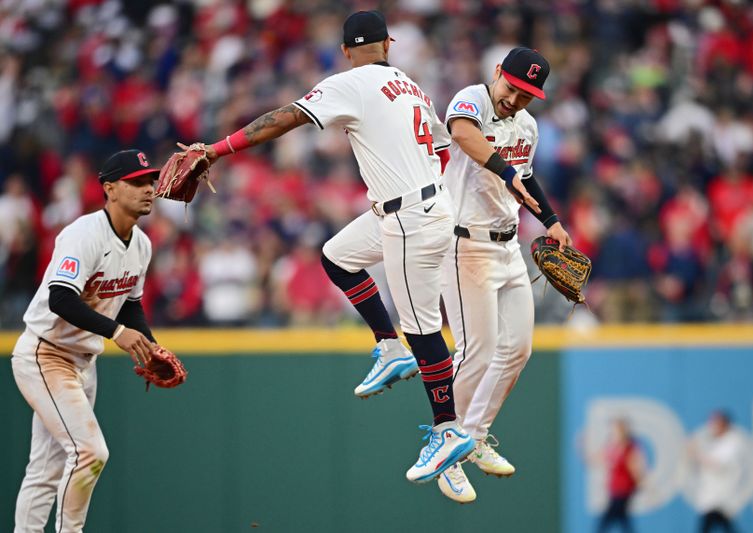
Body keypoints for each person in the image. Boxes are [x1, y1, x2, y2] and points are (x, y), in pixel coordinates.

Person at [186, 10, 526, 483]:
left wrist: (216, 149)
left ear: (346, 51)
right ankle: (388, 347)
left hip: (410, 218)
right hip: (408, 208)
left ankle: (448, 430)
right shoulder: (408, 83)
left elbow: (282, 119)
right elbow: (446, 145)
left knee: (425, 332)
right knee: (336, 257)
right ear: (388, 44)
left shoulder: (351, 83)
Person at [435, 47, 571, 503]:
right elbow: (462, 134)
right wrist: (507, 170)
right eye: (511, 87)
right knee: (478, 350)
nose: (515, 98)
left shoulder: (527, 125)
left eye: (527, 93)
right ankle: (443, 445)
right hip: (464, 244)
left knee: (518, 349)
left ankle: (472, 438)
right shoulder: (471, 98)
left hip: (509, 244)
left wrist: (551, 220)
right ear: (497, 73)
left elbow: (525, 178)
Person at [11, 149, 159, 532]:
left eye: (150, 180)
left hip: (82, 363)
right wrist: (117, 334)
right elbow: (60, 298)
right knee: (91, 452)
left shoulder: (141, 245)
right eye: (137, 181)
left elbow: (130, 306)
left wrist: (150, 347)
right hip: (46, 353)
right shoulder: (83, 234)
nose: (149, 188)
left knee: (46, 469)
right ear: (109, 188)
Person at [582, 418, 646, 533]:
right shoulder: (611, 447)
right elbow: (592, 460)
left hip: (624, 491)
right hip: (615, 491)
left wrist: (642, 483)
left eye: (616, 430)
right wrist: (583, 446)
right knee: (623, 520)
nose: (613, 433)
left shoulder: (629, 448)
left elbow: (636, 468)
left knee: (605, 521)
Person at [689, 410, 744, 533]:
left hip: (723, 495)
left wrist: (696, 454)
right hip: (711, 495)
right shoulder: (713, 442)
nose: (711, 426)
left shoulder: (733, 441)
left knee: (713, 524)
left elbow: (717, 464)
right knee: (720, 524)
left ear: (724, 424)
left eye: (715, 423)